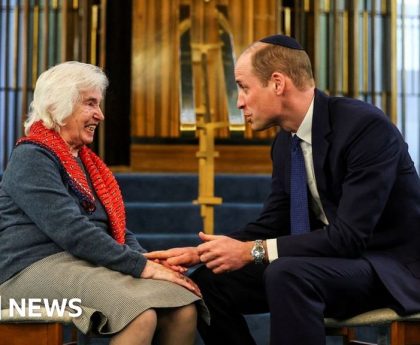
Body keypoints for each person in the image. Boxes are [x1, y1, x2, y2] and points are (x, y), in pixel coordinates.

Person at [145, 34, 420, 345]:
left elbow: (351, 236)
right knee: (209, 282)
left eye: (244, 86)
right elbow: (272, 222)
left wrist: (252, 251)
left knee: (287, 273)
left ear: (277, 83)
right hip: (329, 265)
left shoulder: (365, 127)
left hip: (388, 269)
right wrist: (203, 254)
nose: (239, 102)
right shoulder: (285, 144)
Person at [0, 61, 207, 345]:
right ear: (58, 106)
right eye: (90, 104)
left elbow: (111, 226)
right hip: (28, 271)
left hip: (81, 263)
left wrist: (144, 257)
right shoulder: (32, 157)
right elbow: (73, 231)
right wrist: (140, 267)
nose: (100, 114)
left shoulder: (86, 163)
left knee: (181, 307)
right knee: (139, 313)